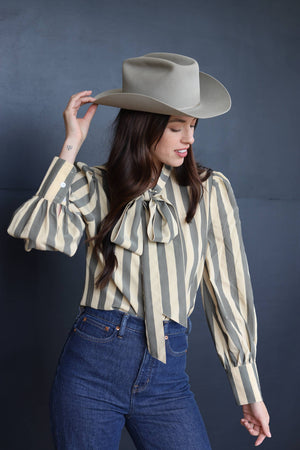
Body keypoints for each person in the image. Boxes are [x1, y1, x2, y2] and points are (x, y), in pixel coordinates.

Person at [7, 52, 271, 449]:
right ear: (142, 127)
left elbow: (228, 293)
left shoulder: (209, 190)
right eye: (176, 128)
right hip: (91, 369)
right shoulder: (93, 184)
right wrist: (70, 147)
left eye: (193, 127)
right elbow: (38, 234)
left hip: (167, 378)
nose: (190, 139)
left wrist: (249, 390)